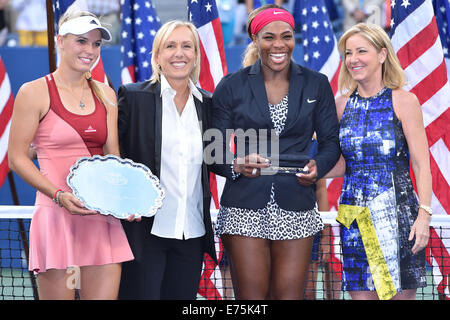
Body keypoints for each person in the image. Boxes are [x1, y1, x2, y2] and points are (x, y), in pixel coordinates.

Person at [210, 4, 340, 299]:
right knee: (252, 299)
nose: (279, 44)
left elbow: (331, 142)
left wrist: (318, 166)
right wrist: (237, 164)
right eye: (269, 37)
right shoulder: (231, 86)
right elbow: (213, 149)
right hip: (244, 206)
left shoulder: (316, 83)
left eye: (287, 36)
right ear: (255, 40)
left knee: (290, 297)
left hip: (297, 203)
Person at [7, 11, 134, 300]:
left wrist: (127, 198)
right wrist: (58, 195)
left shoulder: (106, 94)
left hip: (102, 219)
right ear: (60, 42)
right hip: (56, 217)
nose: (90, 50)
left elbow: (112, 156)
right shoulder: (34, 92)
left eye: (96, 43)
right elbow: (17, 159)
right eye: (81, 41)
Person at [329, 23, 432, 300]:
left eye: (362, 51)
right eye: (348, 53)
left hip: (397, 216)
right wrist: (301, 168)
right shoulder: (340, 106)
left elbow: (422, 164)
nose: (353, 59)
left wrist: (424, 215)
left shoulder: (404, 101)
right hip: (354, 216)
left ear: (382, 54)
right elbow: (342, 165)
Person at [117, 20, 217, 300]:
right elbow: (114, 158)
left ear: (196, 55)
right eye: (170, 46)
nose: (179, 53)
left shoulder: (208, 104)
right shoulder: (133, 97)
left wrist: (249, 163)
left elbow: (218, 159)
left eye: (187, 46)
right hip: (145, 233)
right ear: (157, 56)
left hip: (192, 233)